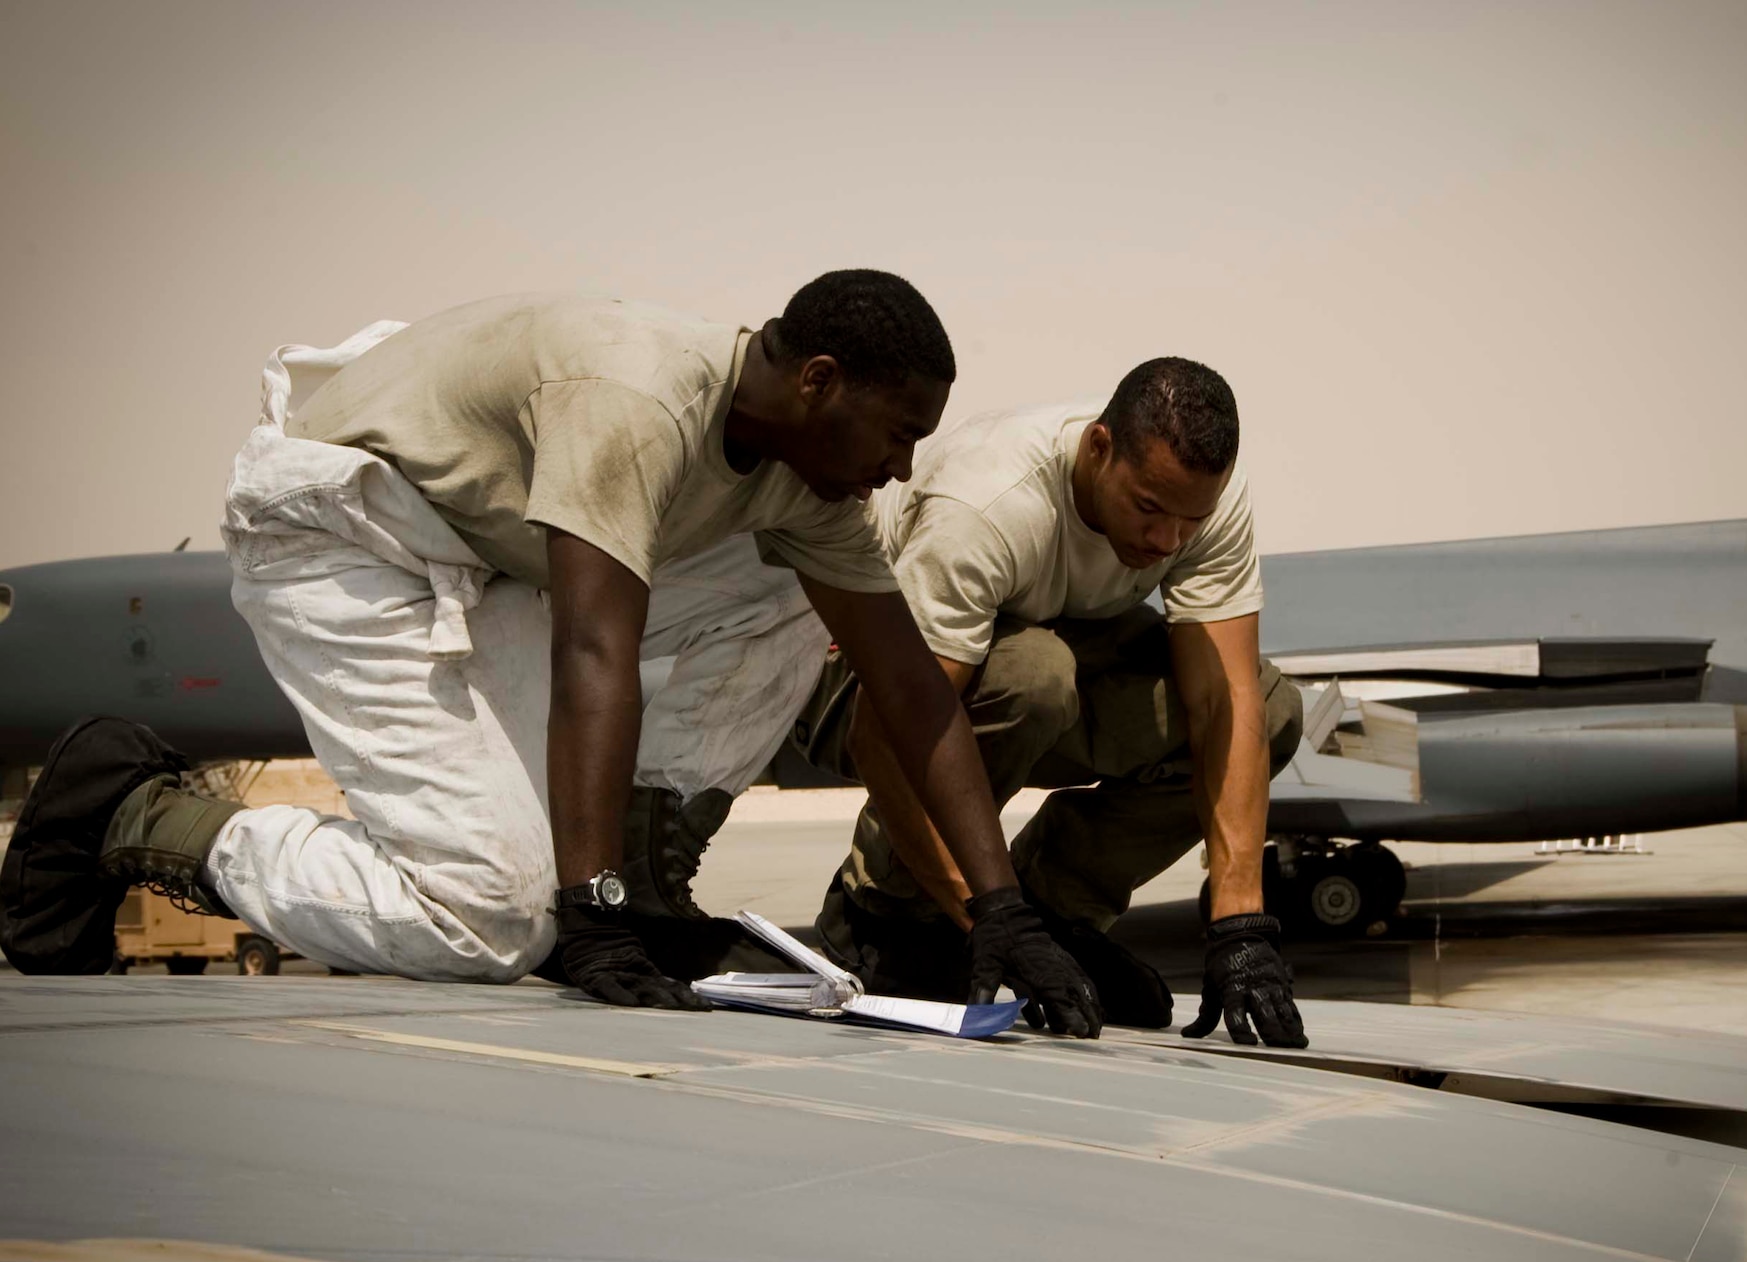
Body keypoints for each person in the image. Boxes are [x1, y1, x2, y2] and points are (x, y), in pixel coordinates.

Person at [0, 273, 1103, 1035]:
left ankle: (641, 870)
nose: (903, 467)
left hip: (489, 560)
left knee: (802, 580)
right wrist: (586, 911)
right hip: (348, 537)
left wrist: (998, 906)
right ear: (816, 380)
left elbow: (907, 683)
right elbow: (592, 653)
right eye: (897, 433)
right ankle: (140, 811)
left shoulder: (799, 471)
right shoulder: (633, 402)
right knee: (494, 920)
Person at [795, 357, 1309, 1047]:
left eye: (1191, 521)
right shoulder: (987, 505)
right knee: (1035, 676)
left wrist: (1238, 923)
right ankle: (891, 912)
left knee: (1270, 709)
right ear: (1098, 448)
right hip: (857, 681)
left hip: (1032, 656)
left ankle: (1053, 910)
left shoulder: (1194, 498)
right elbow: (883, 733)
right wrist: (985, 918)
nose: (1166, 542)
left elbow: (1226, 705)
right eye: (1148, 509)